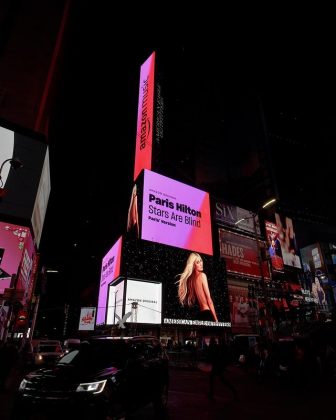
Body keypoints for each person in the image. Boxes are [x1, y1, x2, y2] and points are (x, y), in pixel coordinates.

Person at [176, 252, 218, 322]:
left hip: (200, 315)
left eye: (201, 260)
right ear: (194, 265)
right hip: (207, 313)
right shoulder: (202, 275)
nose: (201, 264)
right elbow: (209, 299)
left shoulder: (192, 280)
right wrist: (216, 319)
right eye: (198, 262)